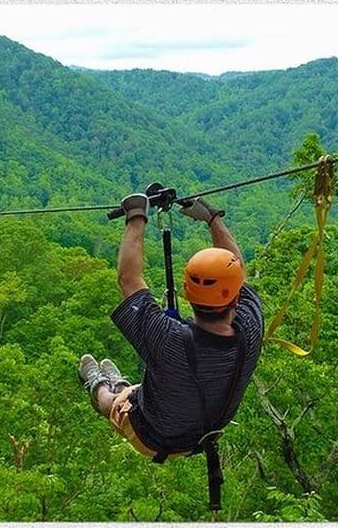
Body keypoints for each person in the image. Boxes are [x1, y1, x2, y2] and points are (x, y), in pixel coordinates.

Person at [78, 194, 264, 462]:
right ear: (235, 297)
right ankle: (121, 385)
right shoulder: (251, 327)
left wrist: (136, 215)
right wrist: (213, 219)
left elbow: (129, 279)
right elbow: (238, 270)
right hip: (200, 428)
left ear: (187, 294)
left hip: (153, 436)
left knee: (116, 404)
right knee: (145, 388)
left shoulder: (168, 340)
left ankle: (98, 385)